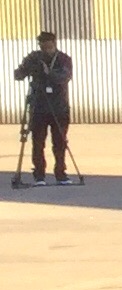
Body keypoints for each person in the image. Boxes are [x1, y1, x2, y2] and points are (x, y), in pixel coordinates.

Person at [15, 30, 72, 183]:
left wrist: (48, 72)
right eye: (43, 47)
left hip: (58, 107)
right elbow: (18, 75)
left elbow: (65, 77)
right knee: (38, 142)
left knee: (60, 142)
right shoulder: (34, 58)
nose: (46, 50)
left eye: (49, 47)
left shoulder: (63, 59)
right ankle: (39, 174)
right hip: (38, 106)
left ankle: (60, 173)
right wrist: (27, 68)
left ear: (54, 44)